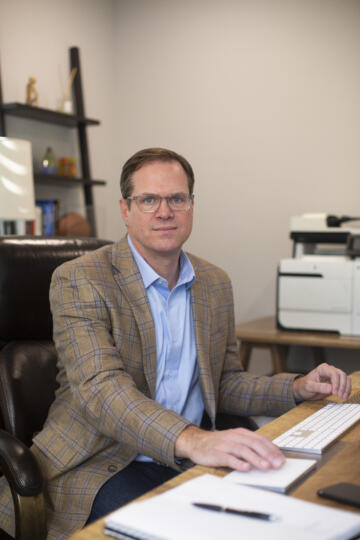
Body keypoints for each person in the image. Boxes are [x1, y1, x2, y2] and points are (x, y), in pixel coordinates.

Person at [0, 148, 351, 539]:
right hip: (102, 462)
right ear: (125, 209)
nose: (164, 211)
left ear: (191, 206)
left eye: (176, 199)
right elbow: (101, 391)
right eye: (148, 199)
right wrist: (194, 439)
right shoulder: (81, 279)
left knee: (289, 515)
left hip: (184, 458)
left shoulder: (214, 283)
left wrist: (297, 387)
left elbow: (224, 382)